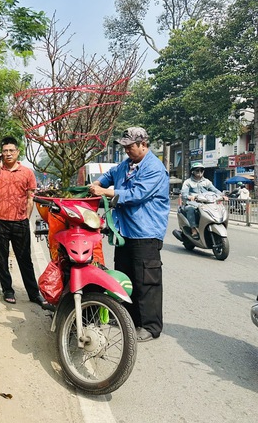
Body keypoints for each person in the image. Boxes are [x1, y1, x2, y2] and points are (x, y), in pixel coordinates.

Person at [89, 127, 169, 342]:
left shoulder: (154, 168)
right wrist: (98, 184)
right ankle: (130, 318)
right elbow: (109, 175)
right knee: (126, 277)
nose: (126, 150)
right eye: (124, 147)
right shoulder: (125, 166)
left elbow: (136, 194)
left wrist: (105, 192)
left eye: (130, 146)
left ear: (143, 144)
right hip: (124, 232)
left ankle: (151, 326)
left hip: (145, 233)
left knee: (146, 280)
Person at [0, 136, 48, 309]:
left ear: (18, 152)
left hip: (19, 222)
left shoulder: (27, 172)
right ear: (1, 153)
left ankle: (34, 293)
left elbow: (30, 198)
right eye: (5, 151)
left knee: (25, 259)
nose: (8, 154)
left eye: (12, 150)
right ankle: (8, 290)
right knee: (1, 258)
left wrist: (25, 219)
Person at [179, 162, 225, 237]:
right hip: (192, 203)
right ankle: (193, 229)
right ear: (193, 171)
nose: (199, 172)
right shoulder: (188, 182)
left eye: (201, 170)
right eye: (197, 170)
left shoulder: (206, 181)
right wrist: (190, 197)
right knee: (190, 209)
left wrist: (222, 195)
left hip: (206, 203)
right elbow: (184, 193)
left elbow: (215, 190)